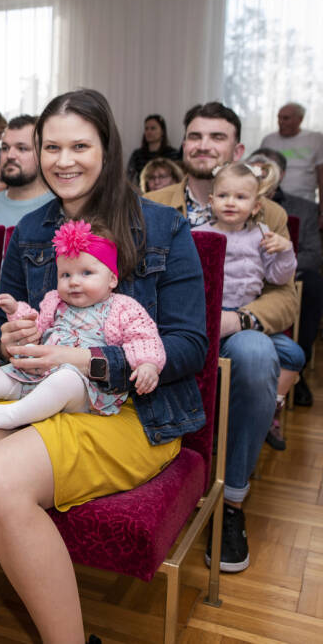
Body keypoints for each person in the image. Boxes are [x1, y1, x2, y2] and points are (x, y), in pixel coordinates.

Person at [0, 89, 207, 643]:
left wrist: (87, 359)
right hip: (40, 391)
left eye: (80, 146)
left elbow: (189, 346)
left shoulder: (163, 228)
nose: (64, 161)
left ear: (108, 149)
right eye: (52, 147)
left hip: (135, 411)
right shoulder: (31, 231)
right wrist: (8, 340)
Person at [147, 102, 297, 574]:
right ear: (183, 144)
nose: (203, 145)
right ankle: (157, 482)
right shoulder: (153, 202)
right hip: (166, 326)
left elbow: (286, 295)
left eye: (217, 137)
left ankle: (231, 502)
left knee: (255, 354)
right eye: (195, 136)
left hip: (235, 327)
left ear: (237, 149)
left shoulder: (268, 213)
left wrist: (239, 320)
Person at [0, 220, 164, 429]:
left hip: (88, 388)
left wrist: (148, 365)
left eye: (86, 273)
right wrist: (15, 310)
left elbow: (144, 339)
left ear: (112, 279)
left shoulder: (122, 307)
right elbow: (35, 330)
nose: (74, 282)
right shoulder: (54, 301)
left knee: (65, 380)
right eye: (65, 275)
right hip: (38, 375)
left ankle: (16, 414)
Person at [193, 161, 302, 451]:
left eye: (240, 197)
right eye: (224, 196)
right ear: (212, 201)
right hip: (211, 318)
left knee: (294, 354)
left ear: (255, 207)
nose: (231, 202)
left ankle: (269, 408)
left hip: (245, 319)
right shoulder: (199, 234)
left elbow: (278, 278)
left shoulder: (262, 236)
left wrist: (285, 251)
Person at [248, 147, 322, 407]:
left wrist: (285, 262)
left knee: (312, 285)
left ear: (280, 175)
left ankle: (295, 378)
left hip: (290, 271)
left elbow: (314, 253)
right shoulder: (233, 205)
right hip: (247, 280)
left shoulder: (304, 208)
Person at [260, 103, 323, 201]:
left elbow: (321, 173)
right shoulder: (269, 140)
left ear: (300, 119)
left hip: (304, 200)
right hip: (273, 199)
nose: (281, 122)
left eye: (286, 118)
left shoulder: (315, 139)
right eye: (279, 118)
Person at [126, 114, 179, 183]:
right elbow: (128, 178)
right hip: (142, 189)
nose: (149, 132)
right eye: (146, 129)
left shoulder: (173, 154)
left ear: (162, 131)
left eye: (153, 128)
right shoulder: (137, 155)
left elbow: (178, 178)